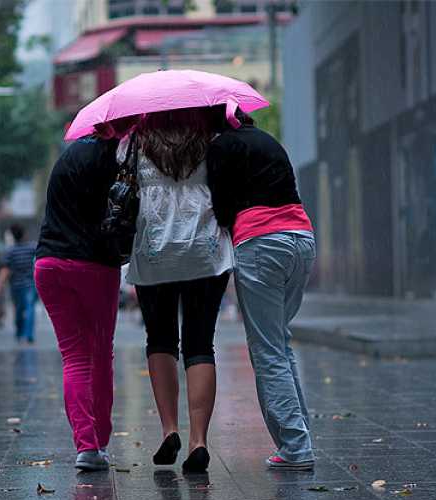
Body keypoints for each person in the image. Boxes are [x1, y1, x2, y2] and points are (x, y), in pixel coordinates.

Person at [206, 111, 317, 470]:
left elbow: (221, 207)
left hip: (261, 243)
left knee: (267, 349)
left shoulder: (221, 146)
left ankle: (296, 447)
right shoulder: (269, 141)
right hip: (302, 239)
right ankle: (299, 435)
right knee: (280, 343)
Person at [127, 106, 233, 473]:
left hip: (154, 252)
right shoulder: (211, 141)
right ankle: (198, 440)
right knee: (201, 342)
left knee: (159, 340)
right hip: (204, 250)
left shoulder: (134, 142)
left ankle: (170, 429)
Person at [34, 119, 132, 471]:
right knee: (100, 353)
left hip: (48, 264)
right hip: (93, 265)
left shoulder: (68, 156)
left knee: (74, 357)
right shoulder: (116, 163)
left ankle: (85, 445)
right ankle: (99, 442)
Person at [0, 224, 37, 343]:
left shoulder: (10, 251)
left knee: (19, 309)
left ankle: (20, 332)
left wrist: (0, 283)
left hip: (16, 286)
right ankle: (29, 334)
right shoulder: (32, 247)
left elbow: (5, 270)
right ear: (24, 234)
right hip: (31, 284)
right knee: (30, 308)